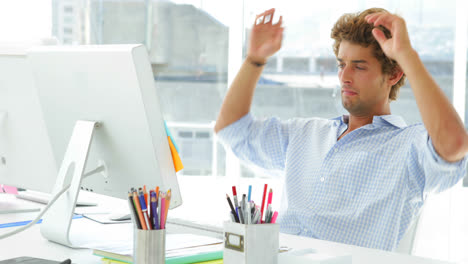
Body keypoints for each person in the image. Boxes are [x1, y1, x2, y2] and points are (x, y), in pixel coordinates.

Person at [214, 7, 468, 251]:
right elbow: (231, 130)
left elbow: (454, 144)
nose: (344, 76)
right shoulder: (306, 133)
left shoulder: (408, 147)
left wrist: (406, 55)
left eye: (359, 66)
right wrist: (254, 60)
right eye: (341, 64)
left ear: (393, 75)